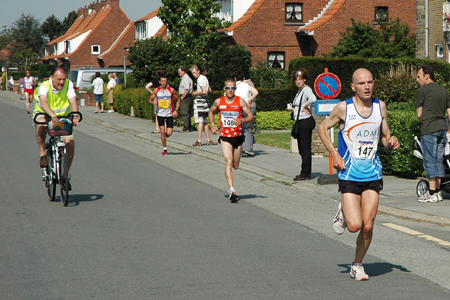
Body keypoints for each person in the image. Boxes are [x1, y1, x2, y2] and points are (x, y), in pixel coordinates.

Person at [318, 68, 400, 281]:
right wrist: (334, 153)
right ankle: (343, 211)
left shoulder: (380, 106)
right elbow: (322, 127)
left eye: (370, 82)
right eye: (362, 83)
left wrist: (390, 142)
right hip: (349, 174)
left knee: (369, 224)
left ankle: (357, 264)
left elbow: (384, 135)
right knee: (354, 226)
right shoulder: (344, 108)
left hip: (372, 173)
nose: (367, 86)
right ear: (353, 87)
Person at [208, 78, 255, 202]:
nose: (230, 90)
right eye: (228, 88)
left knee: (236, 165)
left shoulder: (240, 101)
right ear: (224, 89)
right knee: (228, 160)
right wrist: (213, 124)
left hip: (238, 136)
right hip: (225, 136)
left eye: (232, 88)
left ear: (235, 89)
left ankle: (232, 185)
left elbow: (251, 116)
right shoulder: (219, 101)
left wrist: (242, 120)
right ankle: (232, 190)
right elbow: (211, 112)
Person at [33, 67, 80, 189]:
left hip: (62, 118)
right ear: (52, 78)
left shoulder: (69, 85)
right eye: (59, 79)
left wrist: (75, 115)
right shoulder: (44, 86)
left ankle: (64, 175)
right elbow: (43, 102)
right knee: (41, 124)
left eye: (64, 79)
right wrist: (52, 115)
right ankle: (43, 153)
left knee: (70, 144)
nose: (62, 82)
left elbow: (73, 101)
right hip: (45, 114)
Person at [416, 64, 450, 202]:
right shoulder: (444, 90)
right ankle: (437, 192)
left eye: (419, 77)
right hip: (442, 129)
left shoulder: (423, 90)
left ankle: (431, 193)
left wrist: (425, 116)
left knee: (430, 160)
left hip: (429, 129)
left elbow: (419, 114)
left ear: (427, 76)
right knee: (438, 160)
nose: (417, 80)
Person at [287, 69, 317, 181]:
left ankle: (305, 174)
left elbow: (313, 99)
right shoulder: (300, 91)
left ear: (305, 79)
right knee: (301, 148)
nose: (298, 81)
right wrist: (294, 109)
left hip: (305, 121)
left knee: (305, 149)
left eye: (300, 79)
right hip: (300, 121)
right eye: (296, 80)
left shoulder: (307, 89)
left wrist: (305, 106)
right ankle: (304, 172)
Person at [148, 74, 181, 155]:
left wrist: (176, 110)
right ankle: (165, 148)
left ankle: (165, 135)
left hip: (169, 114)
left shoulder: (171, 90)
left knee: (168, 133)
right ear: (160, 82)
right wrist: (153, 102)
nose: (163, 83)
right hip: (160, 114)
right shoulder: (156, 90)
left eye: (165, 81)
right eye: (162, 81)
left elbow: (178, 100)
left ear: (167, 82)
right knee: (162, 131)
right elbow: (150, 100)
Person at [191, 65, 217, 146]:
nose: (194, 74)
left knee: (200, 121)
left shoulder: (199, 80)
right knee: (205, 121)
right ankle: (208, 140)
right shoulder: (204, 78)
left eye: (195, 72)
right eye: (192, 73)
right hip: (205, 100)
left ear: (198, 71)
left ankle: (199, 140)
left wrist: (196, 93)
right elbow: (209, 89)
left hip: (200, 101)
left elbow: (204, 91)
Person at [235, 70, 258, 156]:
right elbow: (256, 92)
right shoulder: (246, 85)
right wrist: (250, 100)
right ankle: (248, 148)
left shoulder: (234, 86)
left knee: (238, 128)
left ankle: (238, 149)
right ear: (244, 78)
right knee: (248, 129)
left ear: (235, 78)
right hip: (248, 107)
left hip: (237, 108)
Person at [178, 66, 193, 133]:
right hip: (186, 96)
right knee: (187, 112)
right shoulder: (185, 78)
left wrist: (183, 97)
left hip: (185, 96)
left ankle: (186, 128)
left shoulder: (186, 78)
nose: (179, 73)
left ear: (183, 71)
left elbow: (187, 89)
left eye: (179, 71)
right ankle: (188, 127)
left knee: (184, 112)